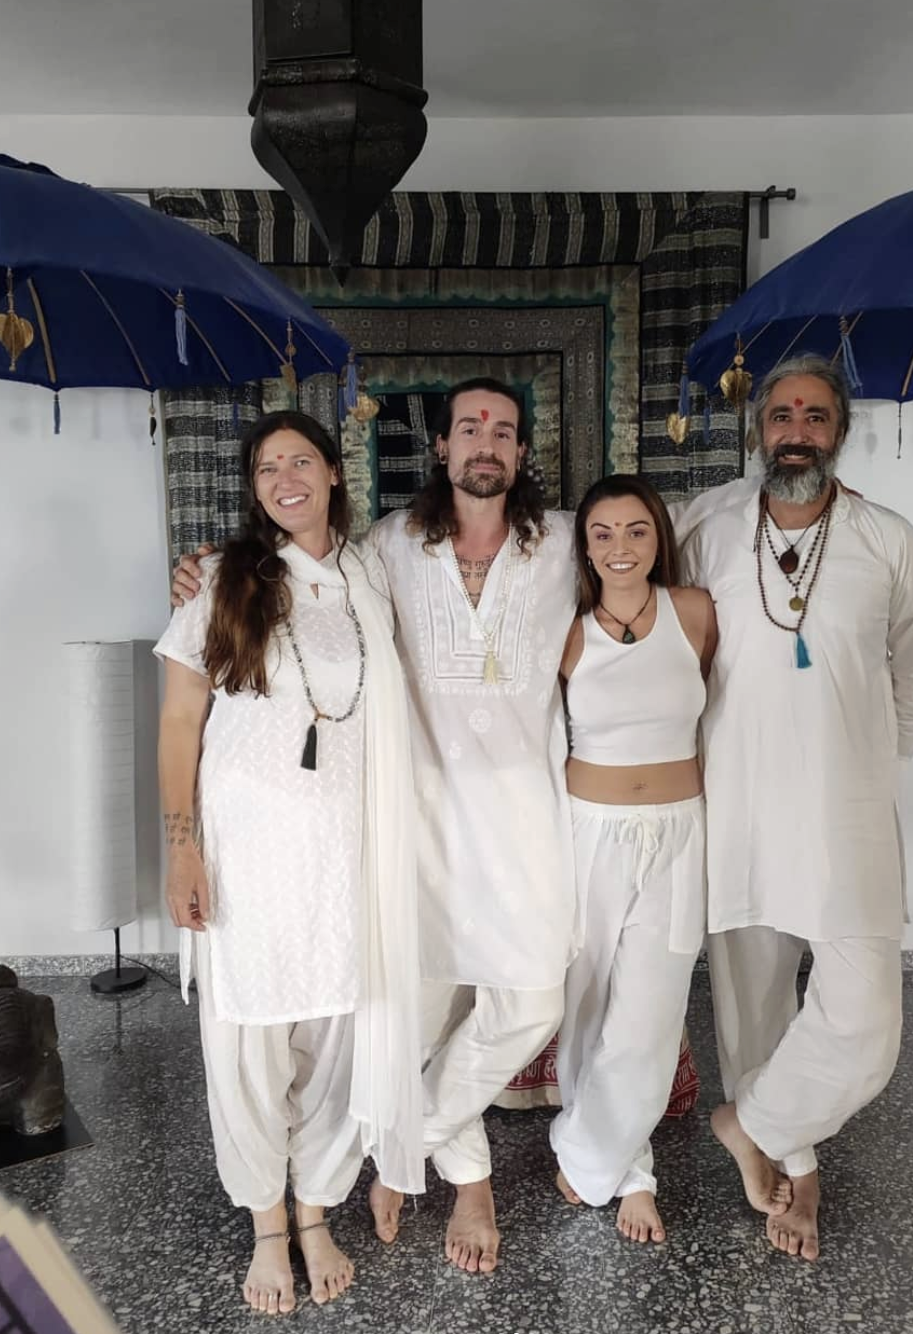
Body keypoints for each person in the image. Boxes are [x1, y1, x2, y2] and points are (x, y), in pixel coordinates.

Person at [173, 379, 577, 1275]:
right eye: (468, 425)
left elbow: (646, 559)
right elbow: (197, 691)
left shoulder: (567, 546)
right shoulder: (389, 548)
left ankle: (402, 1141)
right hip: (404, 837)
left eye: (503, 431)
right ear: (438, 445)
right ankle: (424, 1184)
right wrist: (205, 571)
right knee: (402, 1019)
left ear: (521, 453)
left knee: (528, 1000)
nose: (484, 441)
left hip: (515, 830)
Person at [675, 354, 913, 1262]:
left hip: (845, 810)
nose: (797, 429)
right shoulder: (704, 524)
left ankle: (748, 1121)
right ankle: (795, 1164)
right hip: (736, 803)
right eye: (782, 413)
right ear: (759, 428)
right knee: (752, 1009)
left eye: (816, 415)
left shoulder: (886, 538)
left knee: (864, 1021)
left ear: (839, 432)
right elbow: (606, 565)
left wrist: (868, 766)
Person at [156, 411, 423, 1315]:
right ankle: (269, 1225)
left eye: (300, 460)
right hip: (247, 853)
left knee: (337, 1035)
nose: (284, 478)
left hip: (343, 852)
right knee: (249, 1043)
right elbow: (178, 726)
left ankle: (317, 1209)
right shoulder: (223, 580)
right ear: (255, 487)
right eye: (267, 467)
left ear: (335, 474)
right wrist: (182, 851)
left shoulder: (366, 572)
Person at [550, 475, 722, 1245]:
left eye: (636, 531)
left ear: (659, 537)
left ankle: (588, 1157)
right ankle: (631, 1173)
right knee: (587, 1003)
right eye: (603, 534)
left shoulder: (695, 615)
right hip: (589, 831)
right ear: (584, 548)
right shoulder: (566, 631)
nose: (621, 548)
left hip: (679, 831)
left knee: (651, 1014)